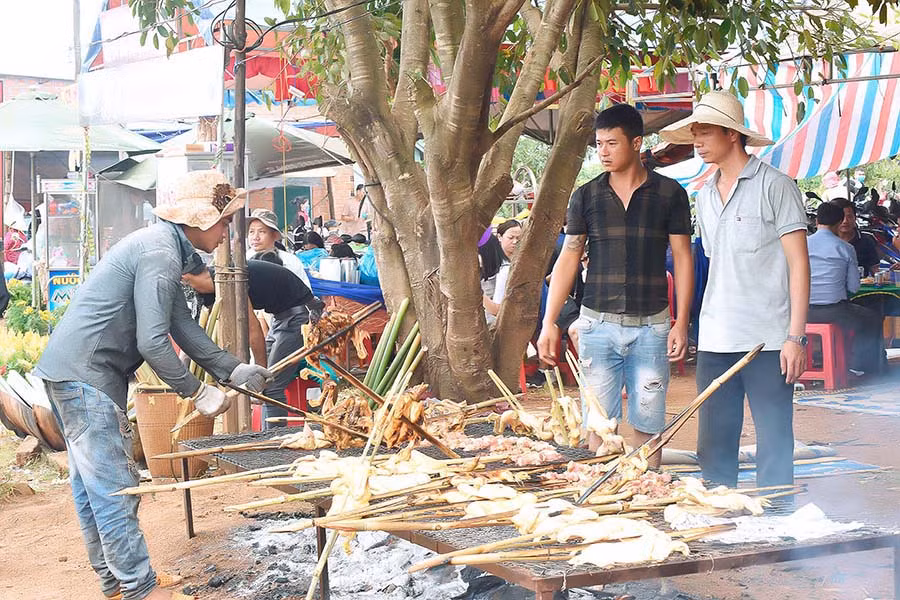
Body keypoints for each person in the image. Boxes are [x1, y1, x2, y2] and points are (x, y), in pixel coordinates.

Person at [33, 170, 274, 600]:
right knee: (114, 487)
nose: (226, 232)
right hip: (86, 376)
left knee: (92, 488)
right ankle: (140, 589)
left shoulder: (161, 248)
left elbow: (180, 325)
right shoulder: (161, 254)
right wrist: (196, 392)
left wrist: (231, 370)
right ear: (199, 220)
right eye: (223, 222)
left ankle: (117, 583)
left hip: (74, 372)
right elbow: (152, 341)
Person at [660, 90, 810, 489]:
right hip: (714, 337)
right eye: (694, 132)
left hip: (769, 339)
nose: (697, 141)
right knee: (714, 442)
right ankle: (721, 518)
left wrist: (796, 336)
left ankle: (779, 517)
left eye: (705, 132)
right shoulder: (705, 194)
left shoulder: (776, 185)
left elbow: (799, 264)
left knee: (774, 438)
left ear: (732, 135)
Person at [539, 104, 693, 464]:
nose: (603, 152)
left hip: (652, 325)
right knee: (598, 424)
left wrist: (681, 321)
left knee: (648, 423)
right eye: (599, 144)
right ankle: (603, 499)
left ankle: (649, 495)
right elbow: (570, 256)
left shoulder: (670, 194)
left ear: (637, 143)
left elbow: (683, 258)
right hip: (598, 325)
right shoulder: (586, 195)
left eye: (612, 143)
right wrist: (550, 321)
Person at [183, 253, 326, 429]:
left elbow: (253, 331)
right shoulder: (208, 290)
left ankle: (275, 443)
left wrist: (261, 373)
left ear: (188, 278)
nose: (188, 288)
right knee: (266, 384)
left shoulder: (230, 278)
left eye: (187, 283)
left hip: (301, 315)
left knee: (271, 385)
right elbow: (198, 331)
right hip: (281, 317)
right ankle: (268, 437)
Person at [807, 202, 885, 375]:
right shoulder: (846, 248)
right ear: (839, 221)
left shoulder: (802, 245)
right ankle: (860, 367)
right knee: (872, 319)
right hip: (835, 310)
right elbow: (854, 287)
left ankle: (817, 361)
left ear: (817, 220)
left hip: (803, 312)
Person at [247, 208, 312, 287]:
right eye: (251, 232)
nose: (255, 237)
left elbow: (304, 292)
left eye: (261, 232)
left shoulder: (289, 261)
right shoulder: (243, 260)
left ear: (274, 235)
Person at [481, 219, 522, 325]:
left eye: (518, 238)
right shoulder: (495, 265)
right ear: (499, 237)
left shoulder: (506, 269)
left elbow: (497, 309)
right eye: (511, 237)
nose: (515, 241)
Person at [833, 198, 880, 276]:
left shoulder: (866, 241)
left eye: (849, 216)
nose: (845, 221)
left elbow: (875, 269)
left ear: (855, 218)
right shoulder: (824, 242)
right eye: (840, 217)